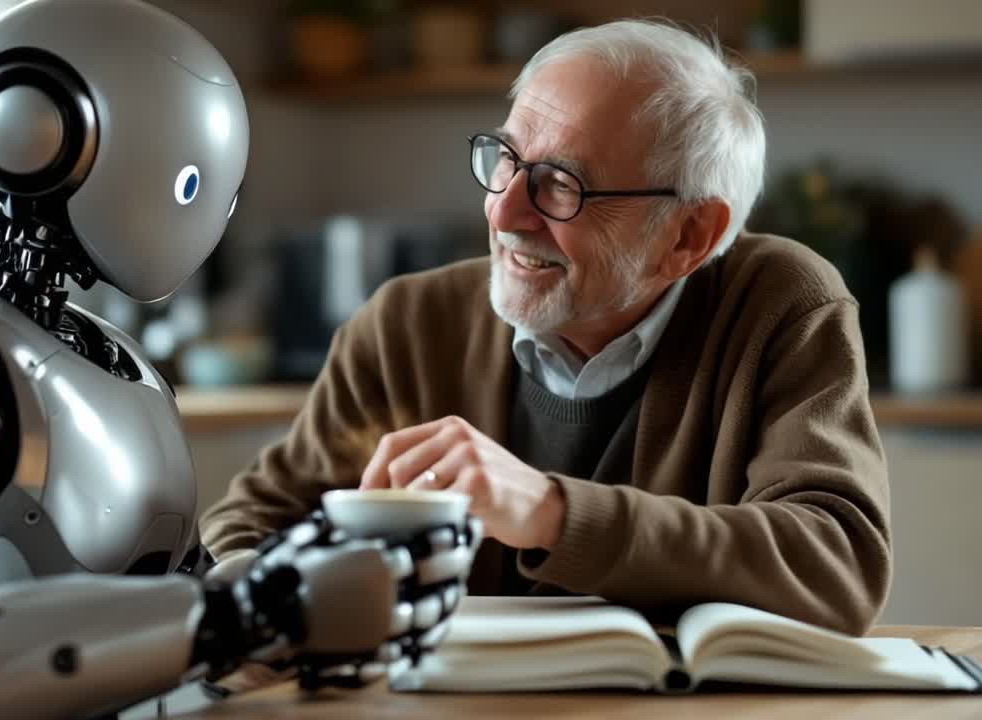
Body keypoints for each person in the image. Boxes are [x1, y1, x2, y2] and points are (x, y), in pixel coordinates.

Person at [201, 19, 890, 635]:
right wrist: (258, 602)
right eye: (506, 158)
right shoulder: (406, 324)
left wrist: (553, 514)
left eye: (562, 184)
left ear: (688, 233)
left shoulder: (780, 305)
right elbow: (247, 526)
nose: (503, 213)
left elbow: (838, 564)